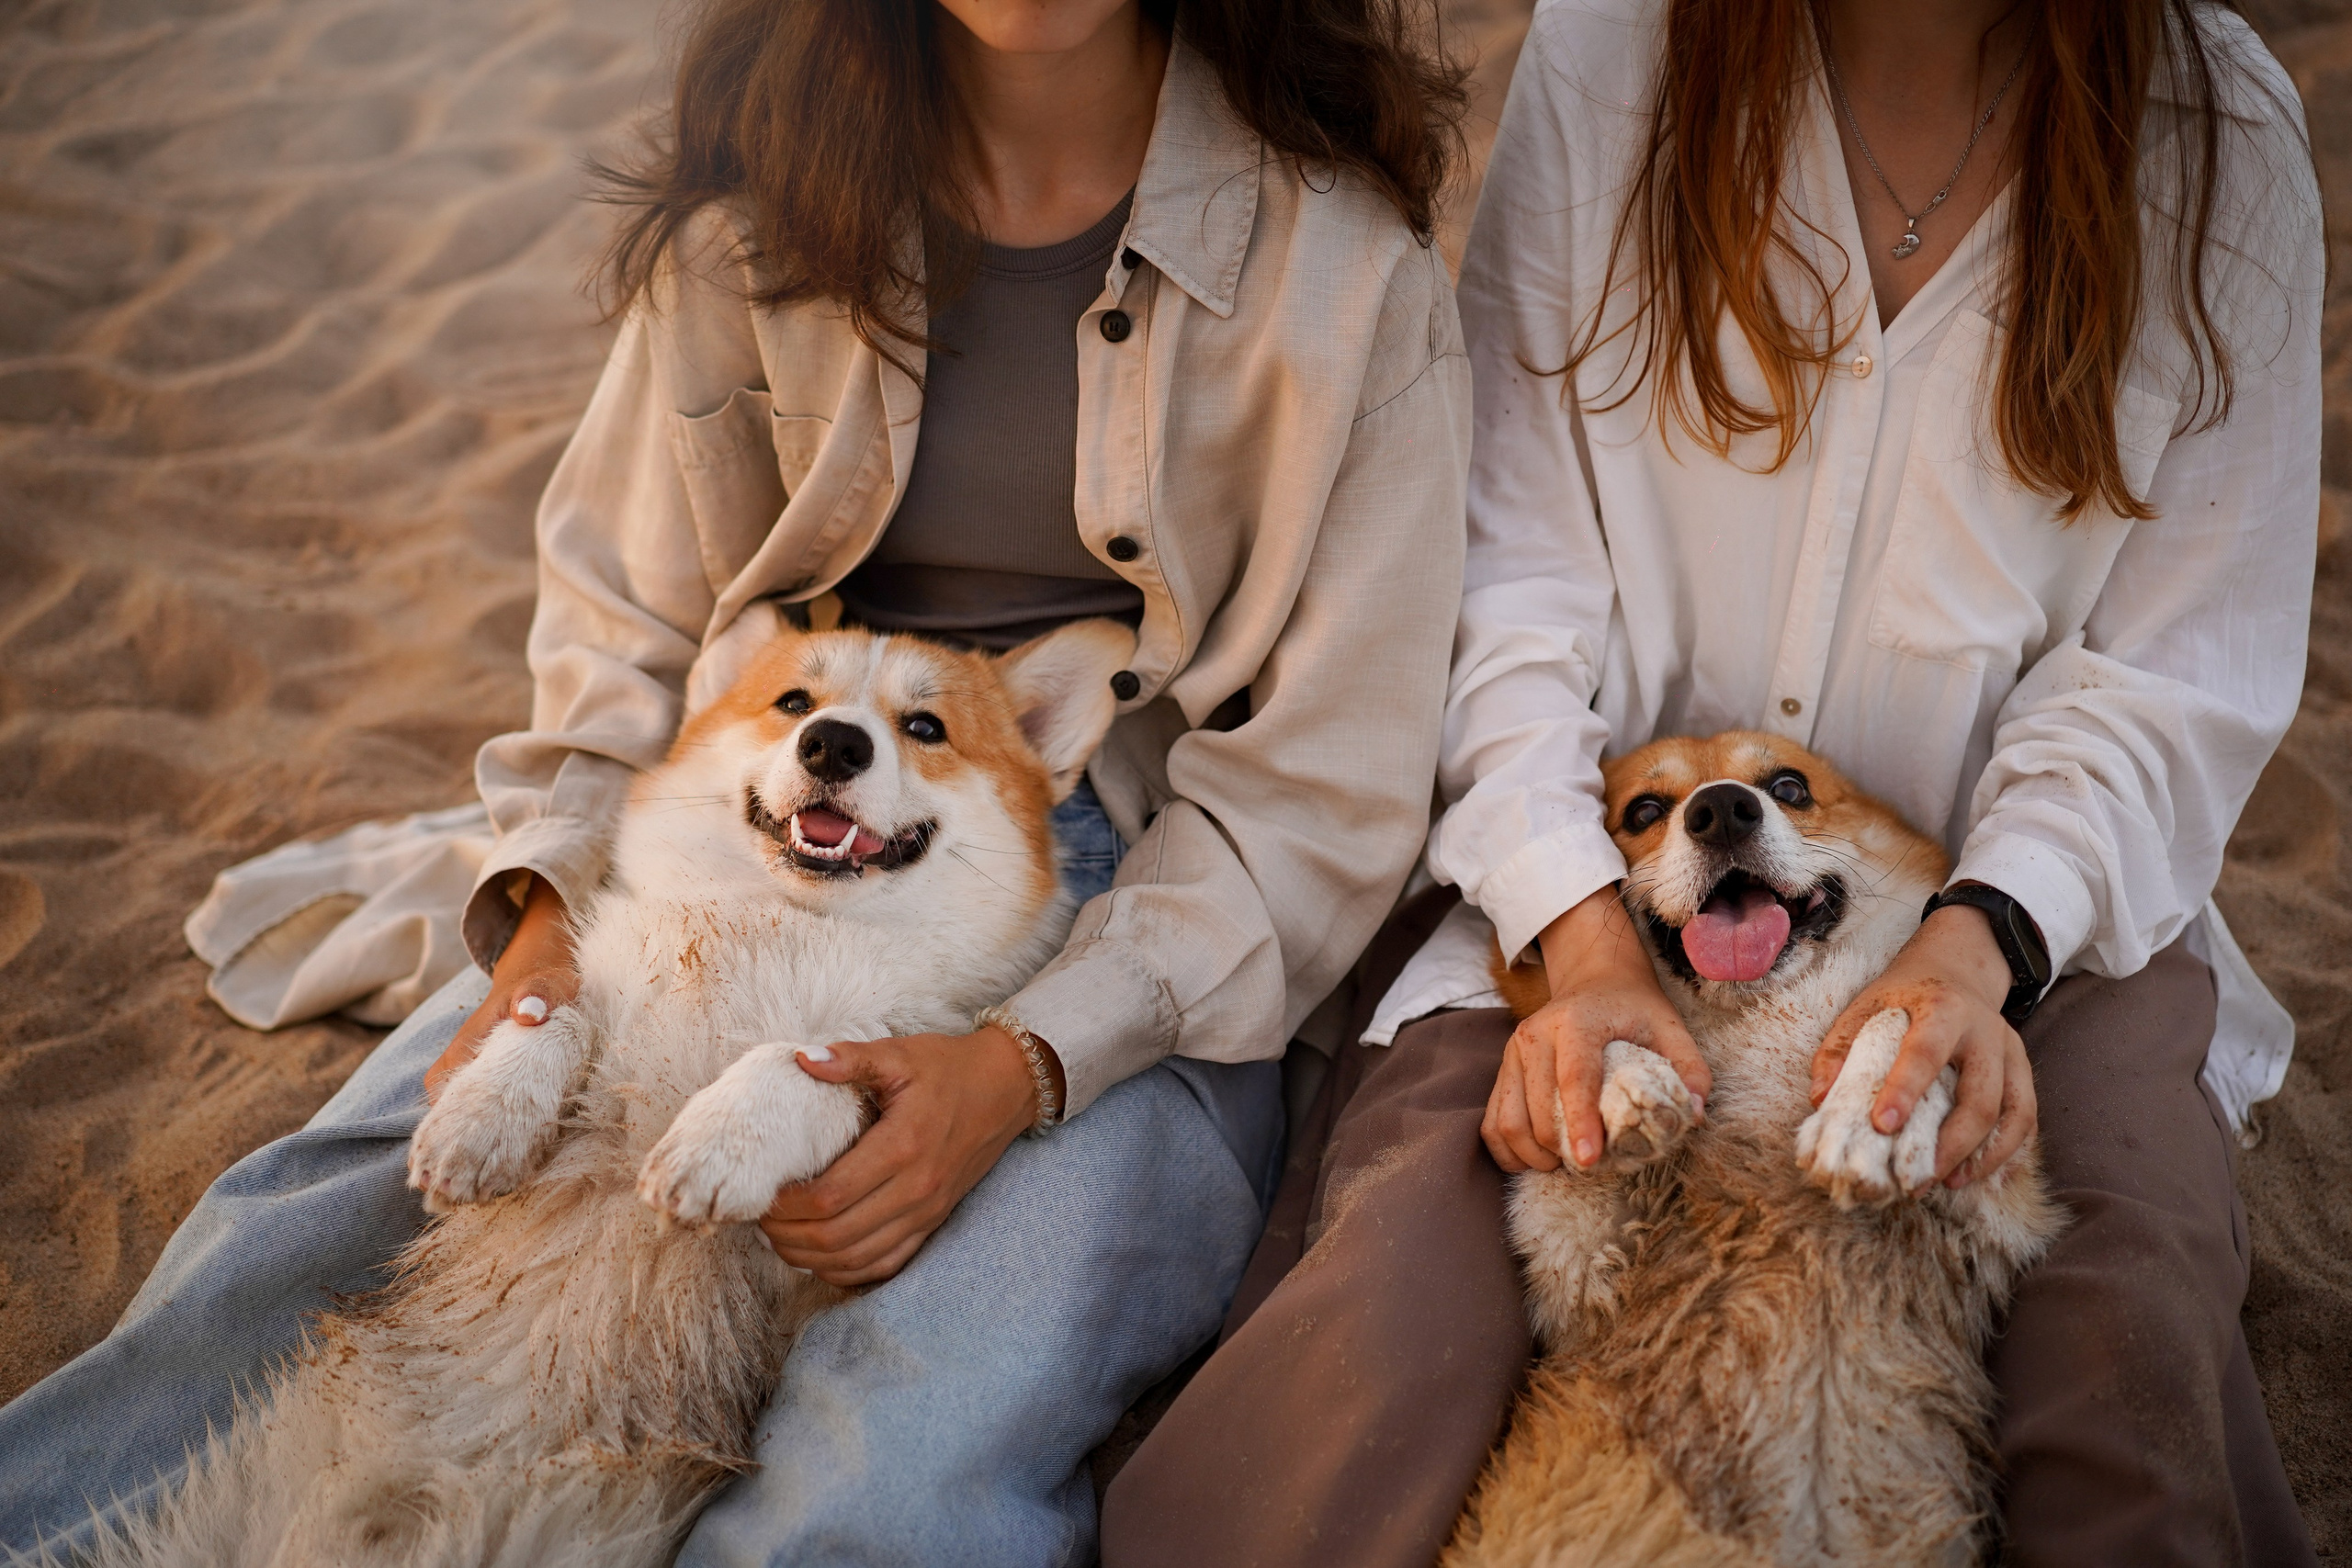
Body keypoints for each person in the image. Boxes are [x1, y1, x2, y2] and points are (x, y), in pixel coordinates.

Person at [0, 2, 1471, 1562]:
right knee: (306, 1225)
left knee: (930, 1403)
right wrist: (547, 933)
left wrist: (1023, 1068)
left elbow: (1324, 794)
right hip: (754, 807)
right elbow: (622, 625)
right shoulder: (762, 209)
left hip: (1160, 903)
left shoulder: (1349, 277)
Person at [1103, 2, 2325, 1564]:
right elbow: (1510, 576)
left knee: (2125, 1323)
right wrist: (1582, 943)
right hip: (1582, 871)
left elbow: (2171, 681)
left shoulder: (2217, 134)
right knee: (1390, 1309)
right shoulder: (1620, 50)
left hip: (2050, 914)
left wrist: (1966, 956)